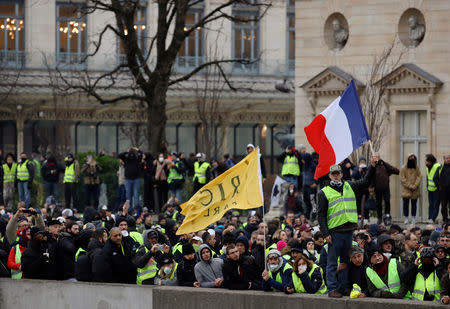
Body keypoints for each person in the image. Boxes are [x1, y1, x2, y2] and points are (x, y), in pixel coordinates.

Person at [317, 160, 375, 298]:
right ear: (330, 176)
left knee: (345, 262)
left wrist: (372, 166)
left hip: (348, 231)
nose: (336, 176)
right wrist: (325, 233)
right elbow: (321, 215)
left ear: (342, 174)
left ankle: (343, 288)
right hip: (334, 232)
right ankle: (332, 289)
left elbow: (366, 181)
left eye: (338, 174)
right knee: (332, 262)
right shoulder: (323, 192)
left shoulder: (349, 185)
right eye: (333, 174)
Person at [371, 153, 399, 225]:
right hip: (377, 188)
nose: (377, 158)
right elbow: (370, 177)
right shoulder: (372, 167)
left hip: (385, 187)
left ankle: (387, 217)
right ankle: (379, 217)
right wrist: (371, 188)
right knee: (378, 204)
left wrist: (384, 163)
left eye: (377, 157)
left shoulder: (384, 165)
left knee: (387, 202)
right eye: (375, 157)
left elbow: (396, 171)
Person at [119, 147, 143, 212]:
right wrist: (127, 151)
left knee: (136, 195)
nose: (131, 154)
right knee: (128, 196)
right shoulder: (126, 159)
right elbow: (120, 155)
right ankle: (129, 211)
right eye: (130, 153)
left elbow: (142, 154)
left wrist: (138, 150)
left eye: (133, 153)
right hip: (128, 180)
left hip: (136, 179)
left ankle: (137, 212)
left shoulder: (137, 159)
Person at [400, 154, 421, 225]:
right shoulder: (403, 168)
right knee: (405, 204)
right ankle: (406, 218)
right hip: (406, 189)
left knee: (414, 204)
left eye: (413, 157)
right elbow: (402, 178)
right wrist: (409, 185)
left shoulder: (416, 168)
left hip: (415, 189)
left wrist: (415, 185)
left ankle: (413, 218)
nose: (412, 159)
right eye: (411, 157)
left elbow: (419, 176)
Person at [425, 154, 441, 223]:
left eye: (426, 161)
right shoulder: (427, 167)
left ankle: (433, 218)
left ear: (430, 161)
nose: (425, 162)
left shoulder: (438, 166)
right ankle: (430, 218)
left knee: (435, 204)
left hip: (436, 189)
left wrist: (439, 187)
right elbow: (428, 178)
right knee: (431, 205)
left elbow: (439, 178)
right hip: (430, 189)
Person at [438, 154, 450, 224]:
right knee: (444, 205)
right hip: (443, 190)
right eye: (447, 158)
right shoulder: (440, 167)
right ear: (444, 160)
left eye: (449, 158)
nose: (448, 159)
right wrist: (439, 186)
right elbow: (435, 177)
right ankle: (445, 219)